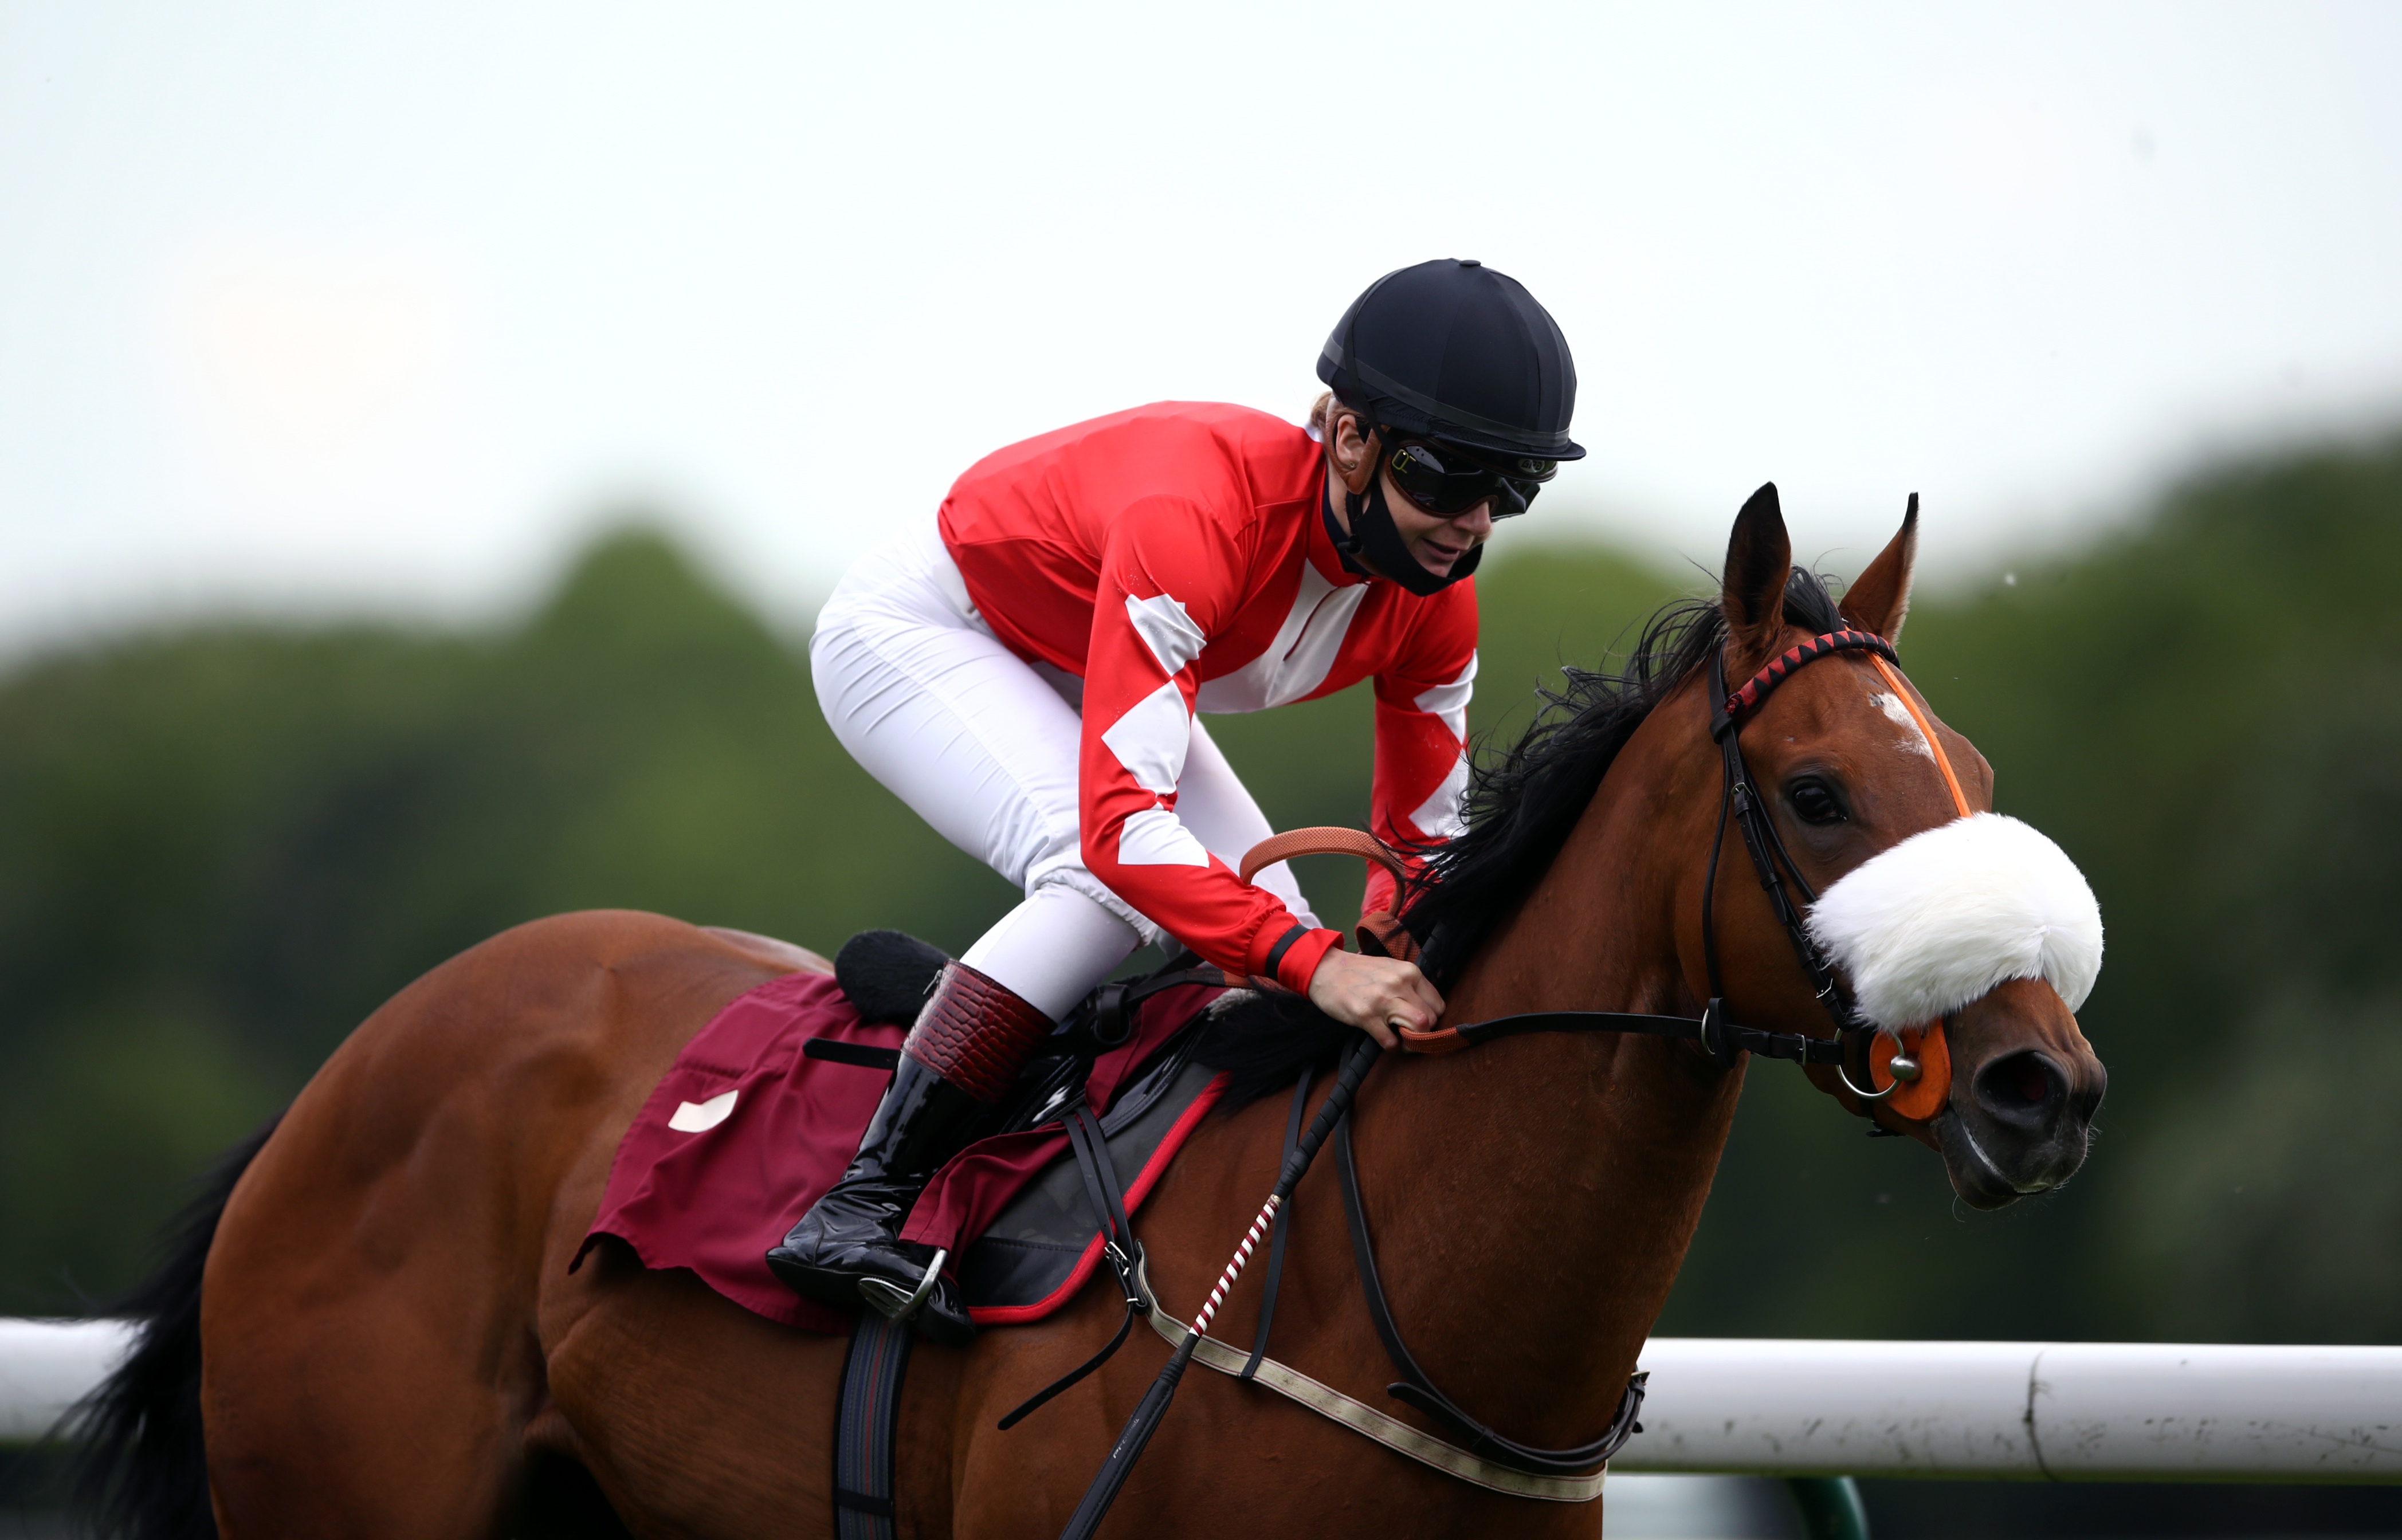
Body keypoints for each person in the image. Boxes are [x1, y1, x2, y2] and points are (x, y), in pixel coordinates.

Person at [767, 258, 1583, 1343]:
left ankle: (1017, 1025)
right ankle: (859, 1201)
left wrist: (1400, 947)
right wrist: (1326, 966)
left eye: (1511, 490)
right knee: (1104, 884)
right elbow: (1120, 833)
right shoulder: (1201, 516)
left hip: (1068, 649)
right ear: (1348, 438)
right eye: (1445, 479)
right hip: (927, 633)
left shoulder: (1437, 603)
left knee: (1267, 926)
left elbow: (1425, 848)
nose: (1471, 523)